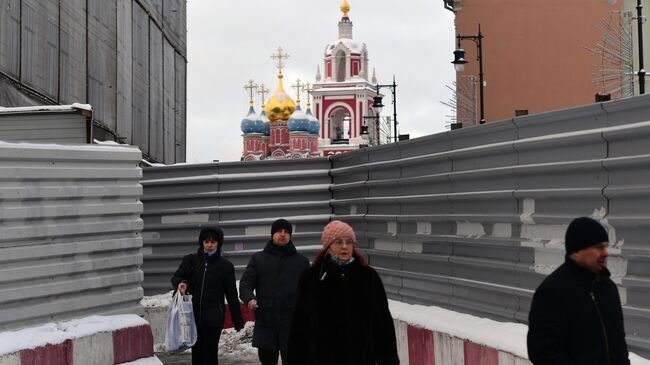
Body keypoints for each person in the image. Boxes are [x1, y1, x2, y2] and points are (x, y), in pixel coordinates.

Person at [287, 220, 400, 365]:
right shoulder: (311, 278)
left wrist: (388, 359)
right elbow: (299, 325)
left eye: (349, 242)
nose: (345, 246)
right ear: (328, 247)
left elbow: (383, 323)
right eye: (338, 242)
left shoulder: (368, 277)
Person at [527, 217, 630, 365]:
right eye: (598, 247)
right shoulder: (552, 292)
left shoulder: (608, 289)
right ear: (576, 251)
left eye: (606, 246)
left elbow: (618, 344)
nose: (605, 253)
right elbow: (543, 352)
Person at [239, 219, 309, 365]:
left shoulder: (301, 261)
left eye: (286, 232)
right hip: (266, 321)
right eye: (279, 231)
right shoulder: (258, 259)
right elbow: (246, 283)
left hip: (292, 323)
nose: (282, 234)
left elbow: (309, 290)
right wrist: (249, 298)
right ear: (272, 234)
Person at [171, 227, 244, 365]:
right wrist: (183, 284)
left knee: (210, 355)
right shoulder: (191, 261)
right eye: (206, 241)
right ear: (202, 242)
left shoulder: (225, 266)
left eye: (213, 242)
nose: (209, 245)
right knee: (197, 355)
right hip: (192, 316)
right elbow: (176, 277)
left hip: (214, 318)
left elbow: (231, 294)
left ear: (219, 243)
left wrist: (237, 321)